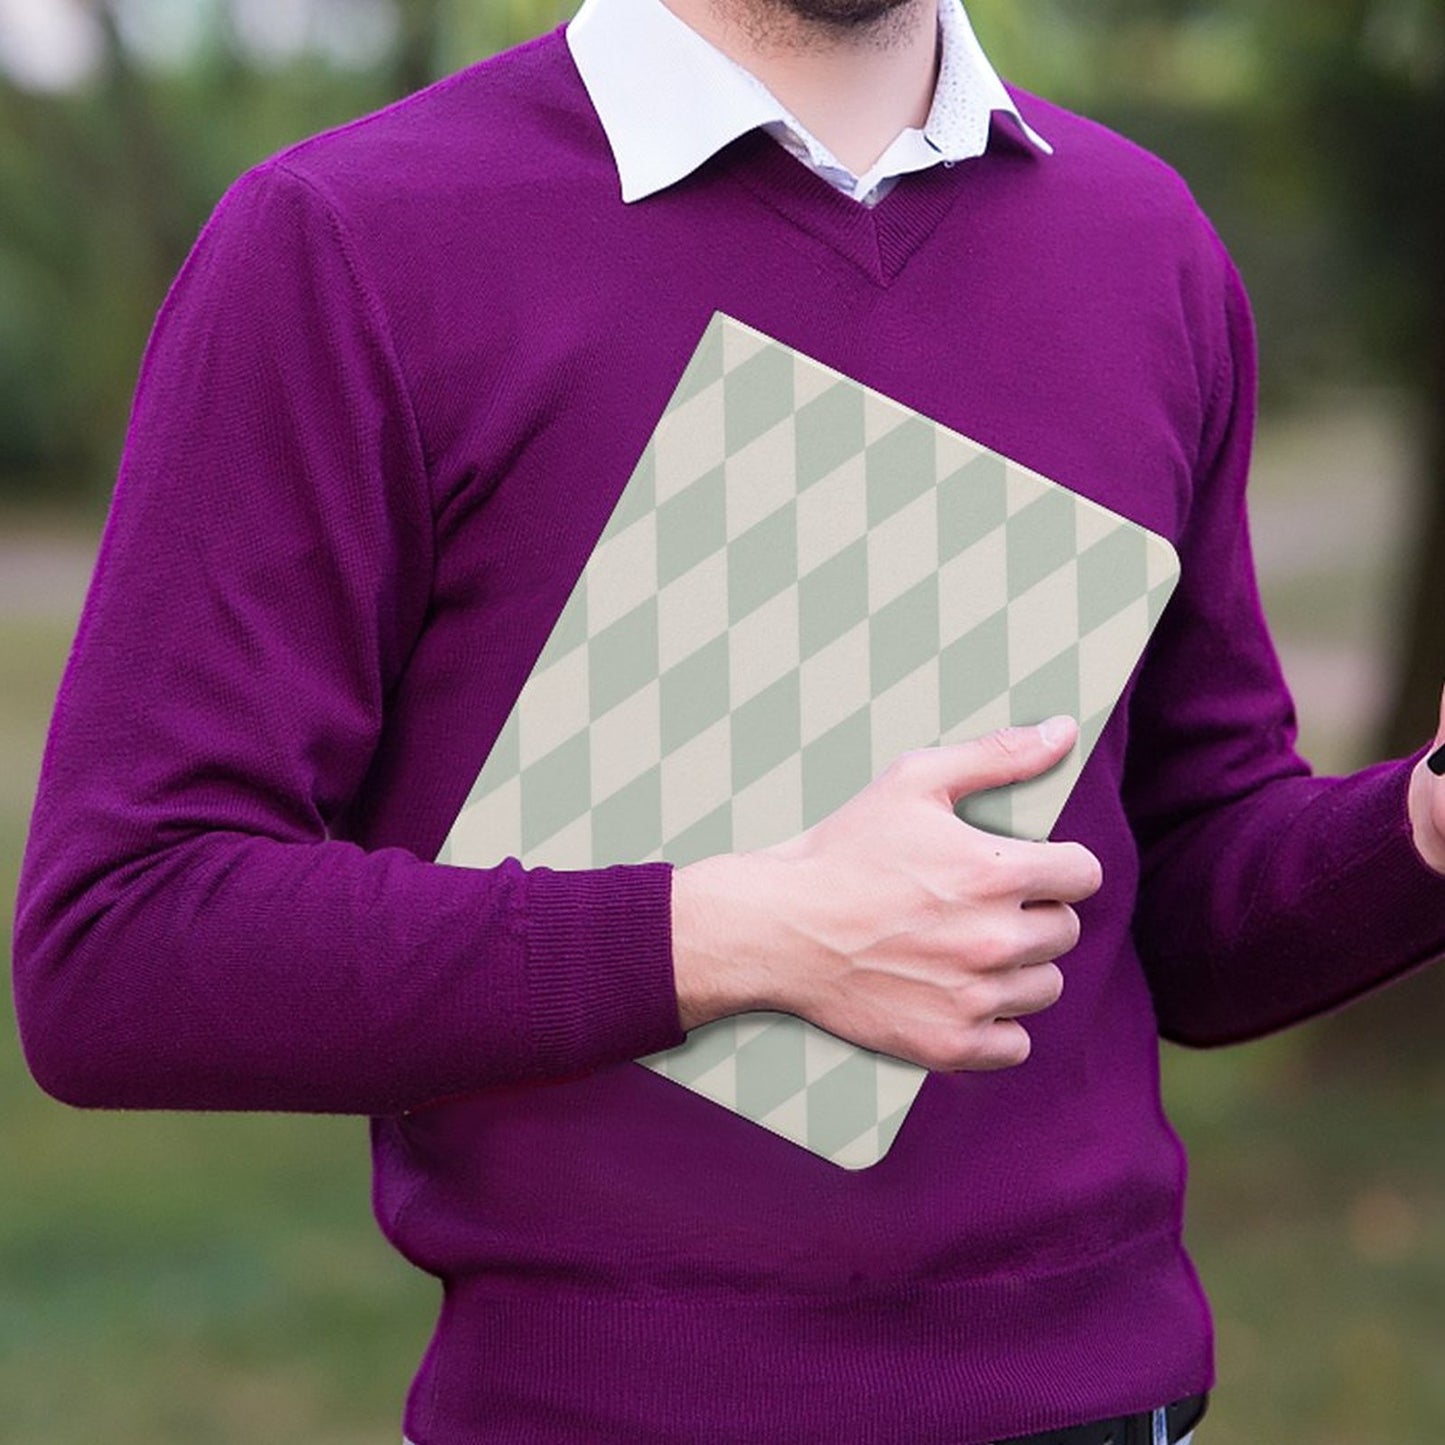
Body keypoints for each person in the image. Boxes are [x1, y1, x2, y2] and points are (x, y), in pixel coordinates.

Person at [12, 0, 1445, 1439]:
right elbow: (119, 942)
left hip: (1118, 1404)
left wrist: (1421, 825)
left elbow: (1179, 904)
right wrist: (734, 934)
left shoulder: (1141, 237)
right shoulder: (351, 240)